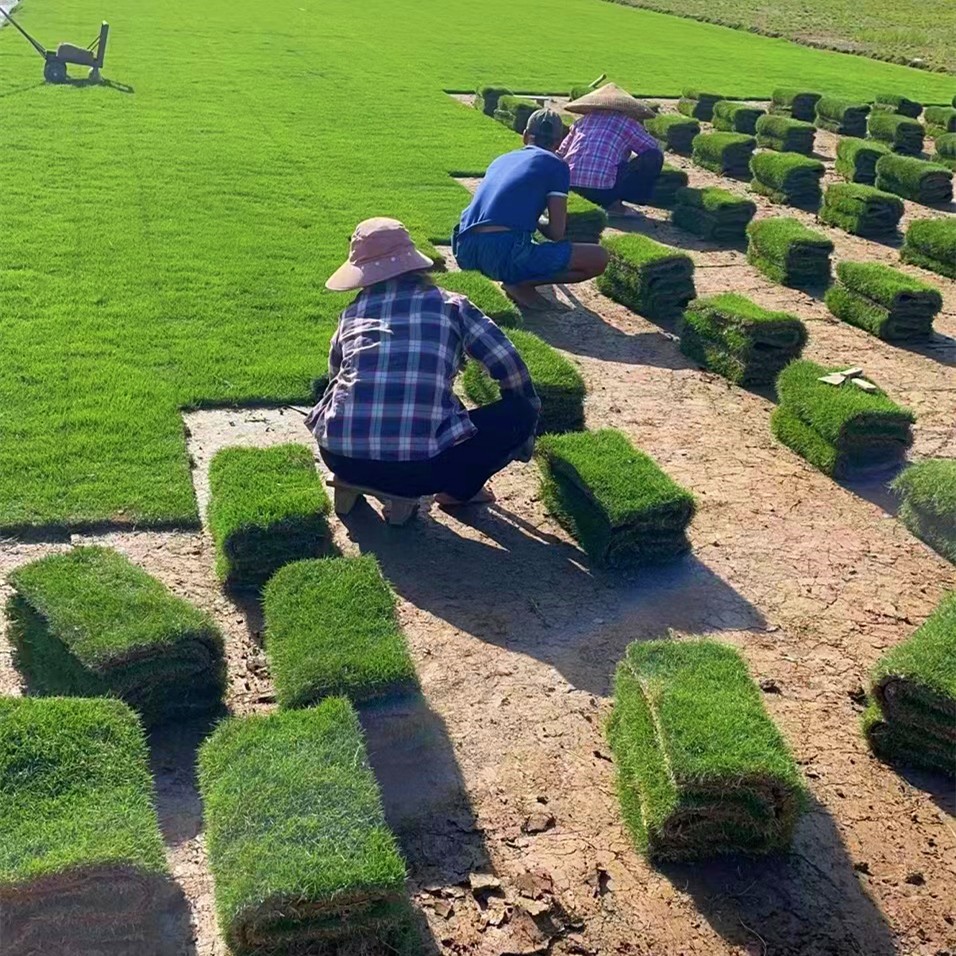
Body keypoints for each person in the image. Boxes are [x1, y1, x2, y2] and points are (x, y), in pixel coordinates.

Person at [305, 217, 540, 508]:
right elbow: (510, 366)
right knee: (519, 411)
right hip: (419, 471)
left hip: (339, 456)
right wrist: (523, 424)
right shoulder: (452, 306)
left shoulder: (353, 313)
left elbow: (335, 379)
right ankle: (458, 491)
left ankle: (355, 479)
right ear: (414, 265)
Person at [453, 108, 608, 311]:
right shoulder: (557, 166)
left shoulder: (501, 160)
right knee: (599, 257)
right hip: (503, 251)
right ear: (559, 142)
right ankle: (520, 284)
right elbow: (556, 232)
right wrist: (538, 220)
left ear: (525, 136)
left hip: (463, 249)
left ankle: (518, 278)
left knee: (526, 244)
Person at [559, 83, 664, 219]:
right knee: (654, 157)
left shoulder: (582, 122)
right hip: (604, 192)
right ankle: (616, 204)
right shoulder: (625, 122)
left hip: (569, 187)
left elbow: (561, 153)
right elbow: (653, 148)